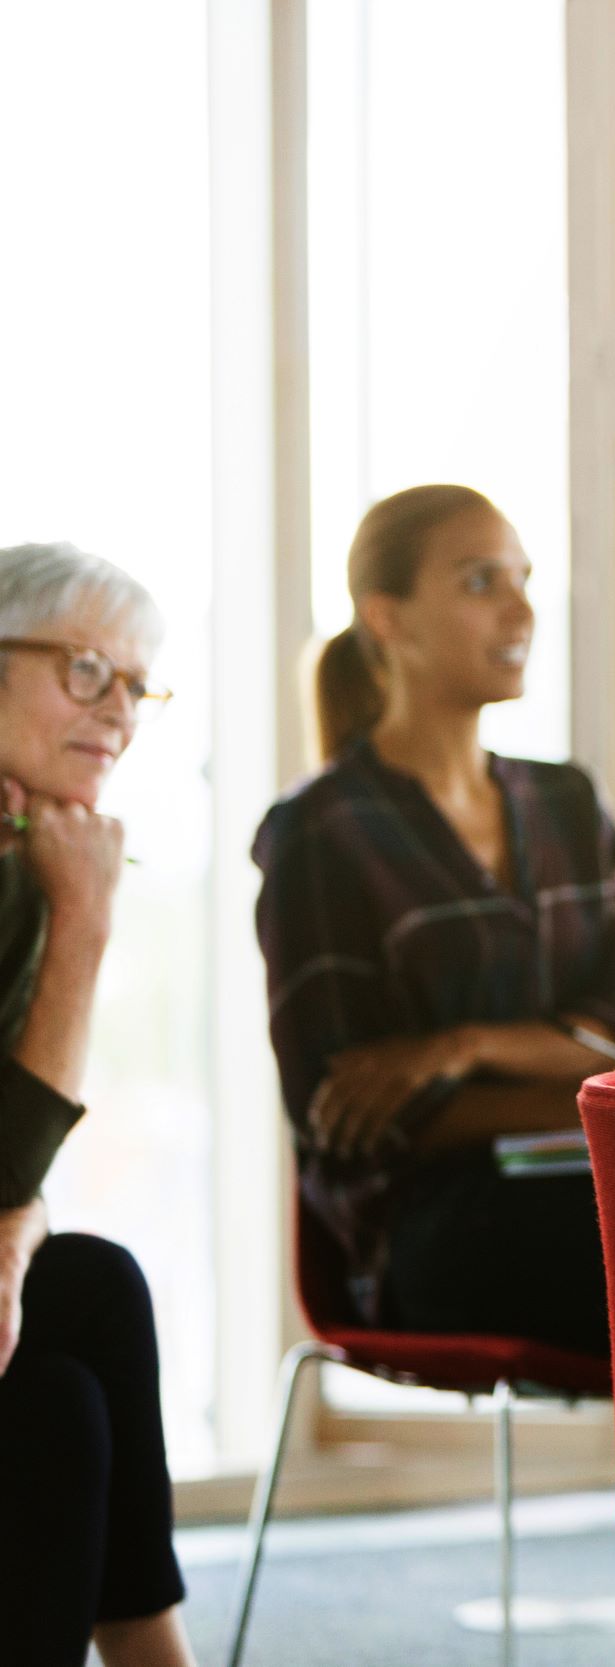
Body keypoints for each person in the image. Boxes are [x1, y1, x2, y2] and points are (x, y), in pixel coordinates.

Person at [253, 485, 615, 1356]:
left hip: (594, 1185)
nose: (522, 606)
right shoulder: (323, 830)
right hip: (428, 1231)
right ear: (391, 618)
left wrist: (459, 1051)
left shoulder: (567, 802)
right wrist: (596, 1079)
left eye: (523, 577)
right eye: (481, 581)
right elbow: (346, 1111)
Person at [0, 544, 194, 1666]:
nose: (117, 709)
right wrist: (86, 923)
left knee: (95, 1290)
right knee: (55, 1412)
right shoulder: (50, 874)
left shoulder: (28, 842)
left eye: (135, 683)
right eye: (84, 670)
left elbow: (6, 1178)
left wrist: (18, 1236)